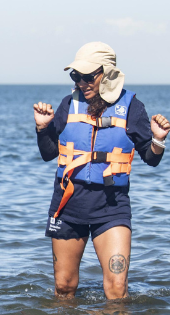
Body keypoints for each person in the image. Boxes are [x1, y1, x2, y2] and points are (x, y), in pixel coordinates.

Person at [33, 42, 170, 299]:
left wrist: (158, 140)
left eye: (87, 76)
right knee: (64, 287)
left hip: (111, 206)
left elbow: (151, 159)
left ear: (107, 74)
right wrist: (42, 128)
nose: (81, 82)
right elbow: (49, 154)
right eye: (76, 76)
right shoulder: (68, 104)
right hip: (68, 204)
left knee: (117, 288)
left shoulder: (132, 107)